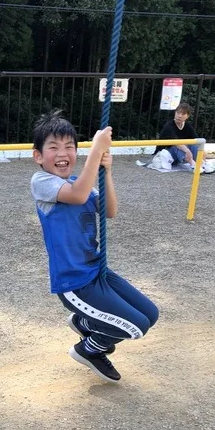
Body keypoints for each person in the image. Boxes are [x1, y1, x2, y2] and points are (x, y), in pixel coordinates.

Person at [30, 111, 159, 383]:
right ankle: (88, 349)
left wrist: (106, 171)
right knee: (136, 327)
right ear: (38, 156)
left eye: (69, 147)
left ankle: (84, 324)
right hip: (75, 283)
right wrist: (97, 150)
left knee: (151, 314)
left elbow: (109, 210)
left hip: (98, 271)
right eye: (53, 147)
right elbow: (76, 197)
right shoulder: (42, 183)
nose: (62, 152)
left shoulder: (81, 182)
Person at [151, 102, 215, 173]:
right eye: (178, 113)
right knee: (177, 145)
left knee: (194, 144)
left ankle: (202, 163)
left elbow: (196, 140)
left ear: (187, 116)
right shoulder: (169, 126)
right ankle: (193, 164)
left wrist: (202, 151)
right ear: (175, 113)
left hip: (178, 156)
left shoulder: (187, 126)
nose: (179, 116)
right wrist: (187, 151)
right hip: (165, 154)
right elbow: (176, 143)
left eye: (183, 114)